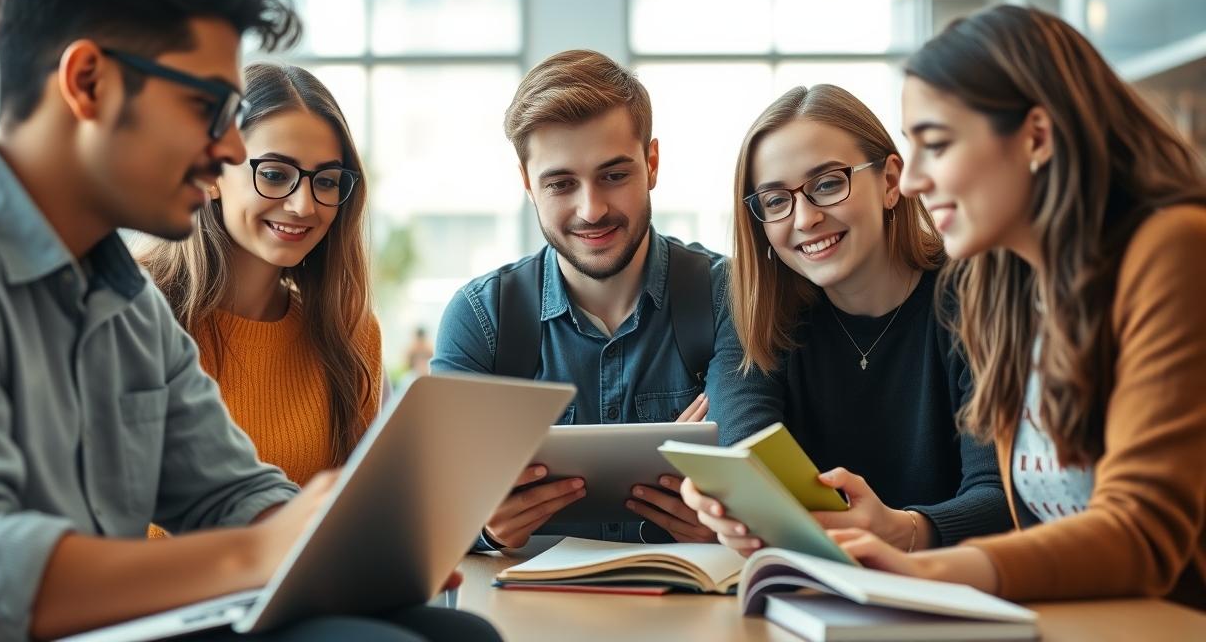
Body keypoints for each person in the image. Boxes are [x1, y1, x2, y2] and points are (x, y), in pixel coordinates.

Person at [0, 0, 497, 642]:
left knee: (454, 633)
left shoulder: (124, 300)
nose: (228, 148)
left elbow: (230, 490)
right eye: (206, 108)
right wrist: (259, 550)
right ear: (88, 82)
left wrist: (338, 541)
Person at [827, 5, 1206, 609]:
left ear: (1036, 136)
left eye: (937, 144)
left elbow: (1143, 531)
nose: (916, 179)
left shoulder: (1173, 247)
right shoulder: (1005, 284)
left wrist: (927, 571)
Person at [433, 49, 751, 549]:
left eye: (614, 175)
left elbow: (750, 474)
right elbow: (436, 507)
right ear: (527, 185)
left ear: (652, 163)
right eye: (560, 183)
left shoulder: (726, 297)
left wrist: (729, 519)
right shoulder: (481, 318)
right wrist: (484, 528)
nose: (591, 209)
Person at [680, 84, 1011, 555]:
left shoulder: (978, 296)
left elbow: (1003, 498)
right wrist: (730, 507)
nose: (806, 218)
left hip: (957, 594)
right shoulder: (759, 313)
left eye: (829, 184)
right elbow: (748, 454)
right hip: (814, 594)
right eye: (776, 201)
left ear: (891, 181)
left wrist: (905, 529)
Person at [136, 63, 381, 495]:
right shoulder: (129, 308)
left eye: (325, 181)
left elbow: (356, 514)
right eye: (273, 175)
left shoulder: (350, 331)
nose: (304, 205)